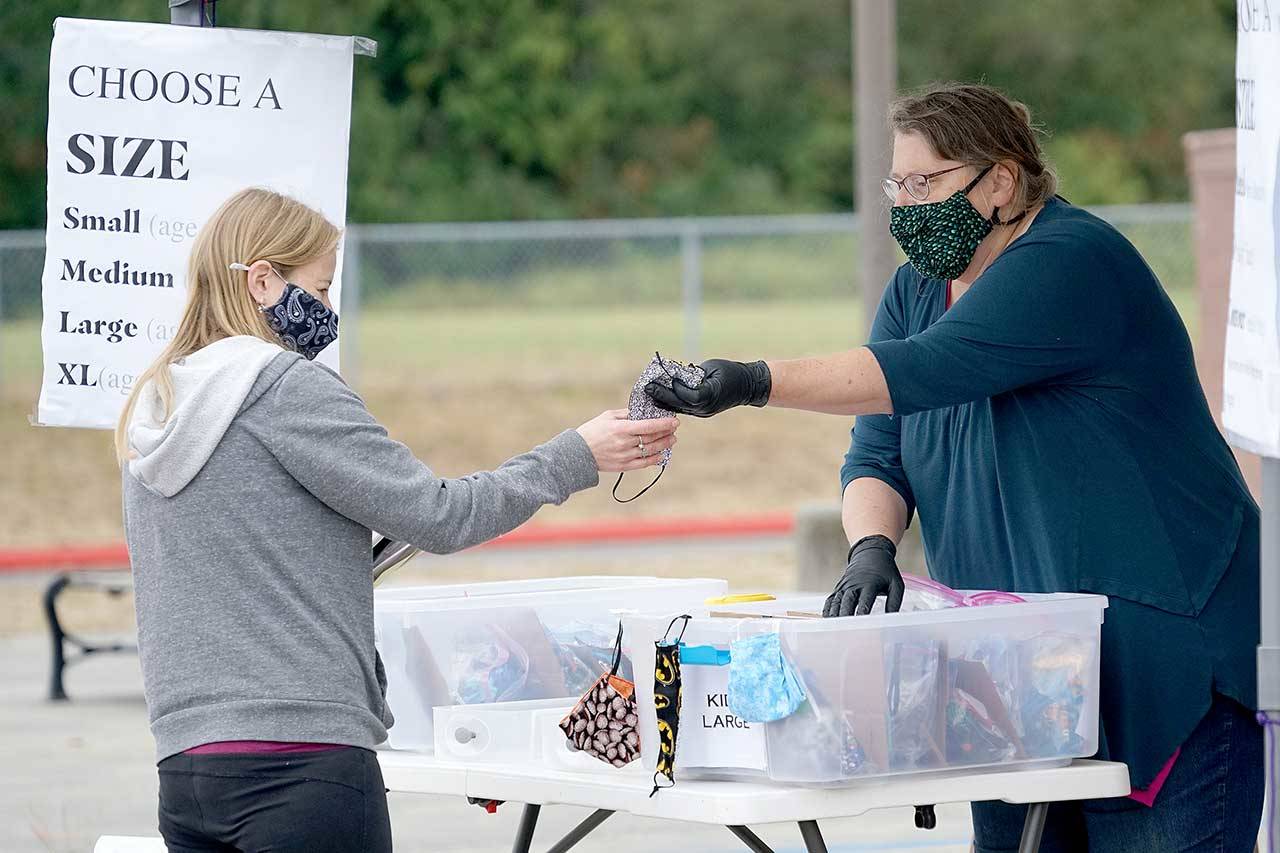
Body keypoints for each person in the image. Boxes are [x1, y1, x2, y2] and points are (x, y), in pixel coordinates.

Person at [645, 82, 1262, 851]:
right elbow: (878, 451)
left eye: (925, 184)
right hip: (1019, 678)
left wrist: (751, 380)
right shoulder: (914, 291)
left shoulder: (1072, 261)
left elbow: (927, 369)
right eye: (895, 186)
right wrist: (871, 545)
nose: (906, 207)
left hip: (1158, 656)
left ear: (1000, 182)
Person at [116, 187, 678, 853]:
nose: (327, 311)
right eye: (321, 289)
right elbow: (441, 514)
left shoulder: (155, 410)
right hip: (302, 767)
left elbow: (276, 555)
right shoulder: (286, 389)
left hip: (186, 771)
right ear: (263, 281)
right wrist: (572, 456)